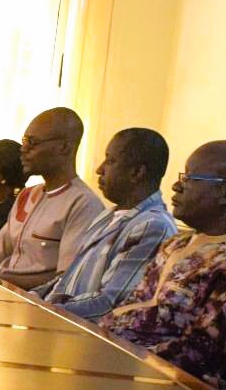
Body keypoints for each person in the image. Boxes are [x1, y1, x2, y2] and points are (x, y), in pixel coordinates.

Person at [98, 140, 226, 384]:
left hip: (149, 380)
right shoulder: (177, 243)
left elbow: (198, 358)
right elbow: (132, 307)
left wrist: (109, 356)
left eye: (189, 178)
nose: (176, 186)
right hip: (108, 355)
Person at [35, 128, 177, 320]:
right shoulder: (109, 215)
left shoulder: (151, 226)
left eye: (110, 161)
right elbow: (68, 281)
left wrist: (44, 311)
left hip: (84, 330)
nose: (100, 169)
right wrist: (31, 299)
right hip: (60, 316)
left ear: (137, 172)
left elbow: (110, 304)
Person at [0, 107, 106, 290]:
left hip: (31, 300)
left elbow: (66, 279)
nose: (23, 150)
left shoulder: (83, 204)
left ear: (64, 147)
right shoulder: (27, 195)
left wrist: (1, 282)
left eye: (32, 142)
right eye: (24, 141)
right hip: (1, 289)